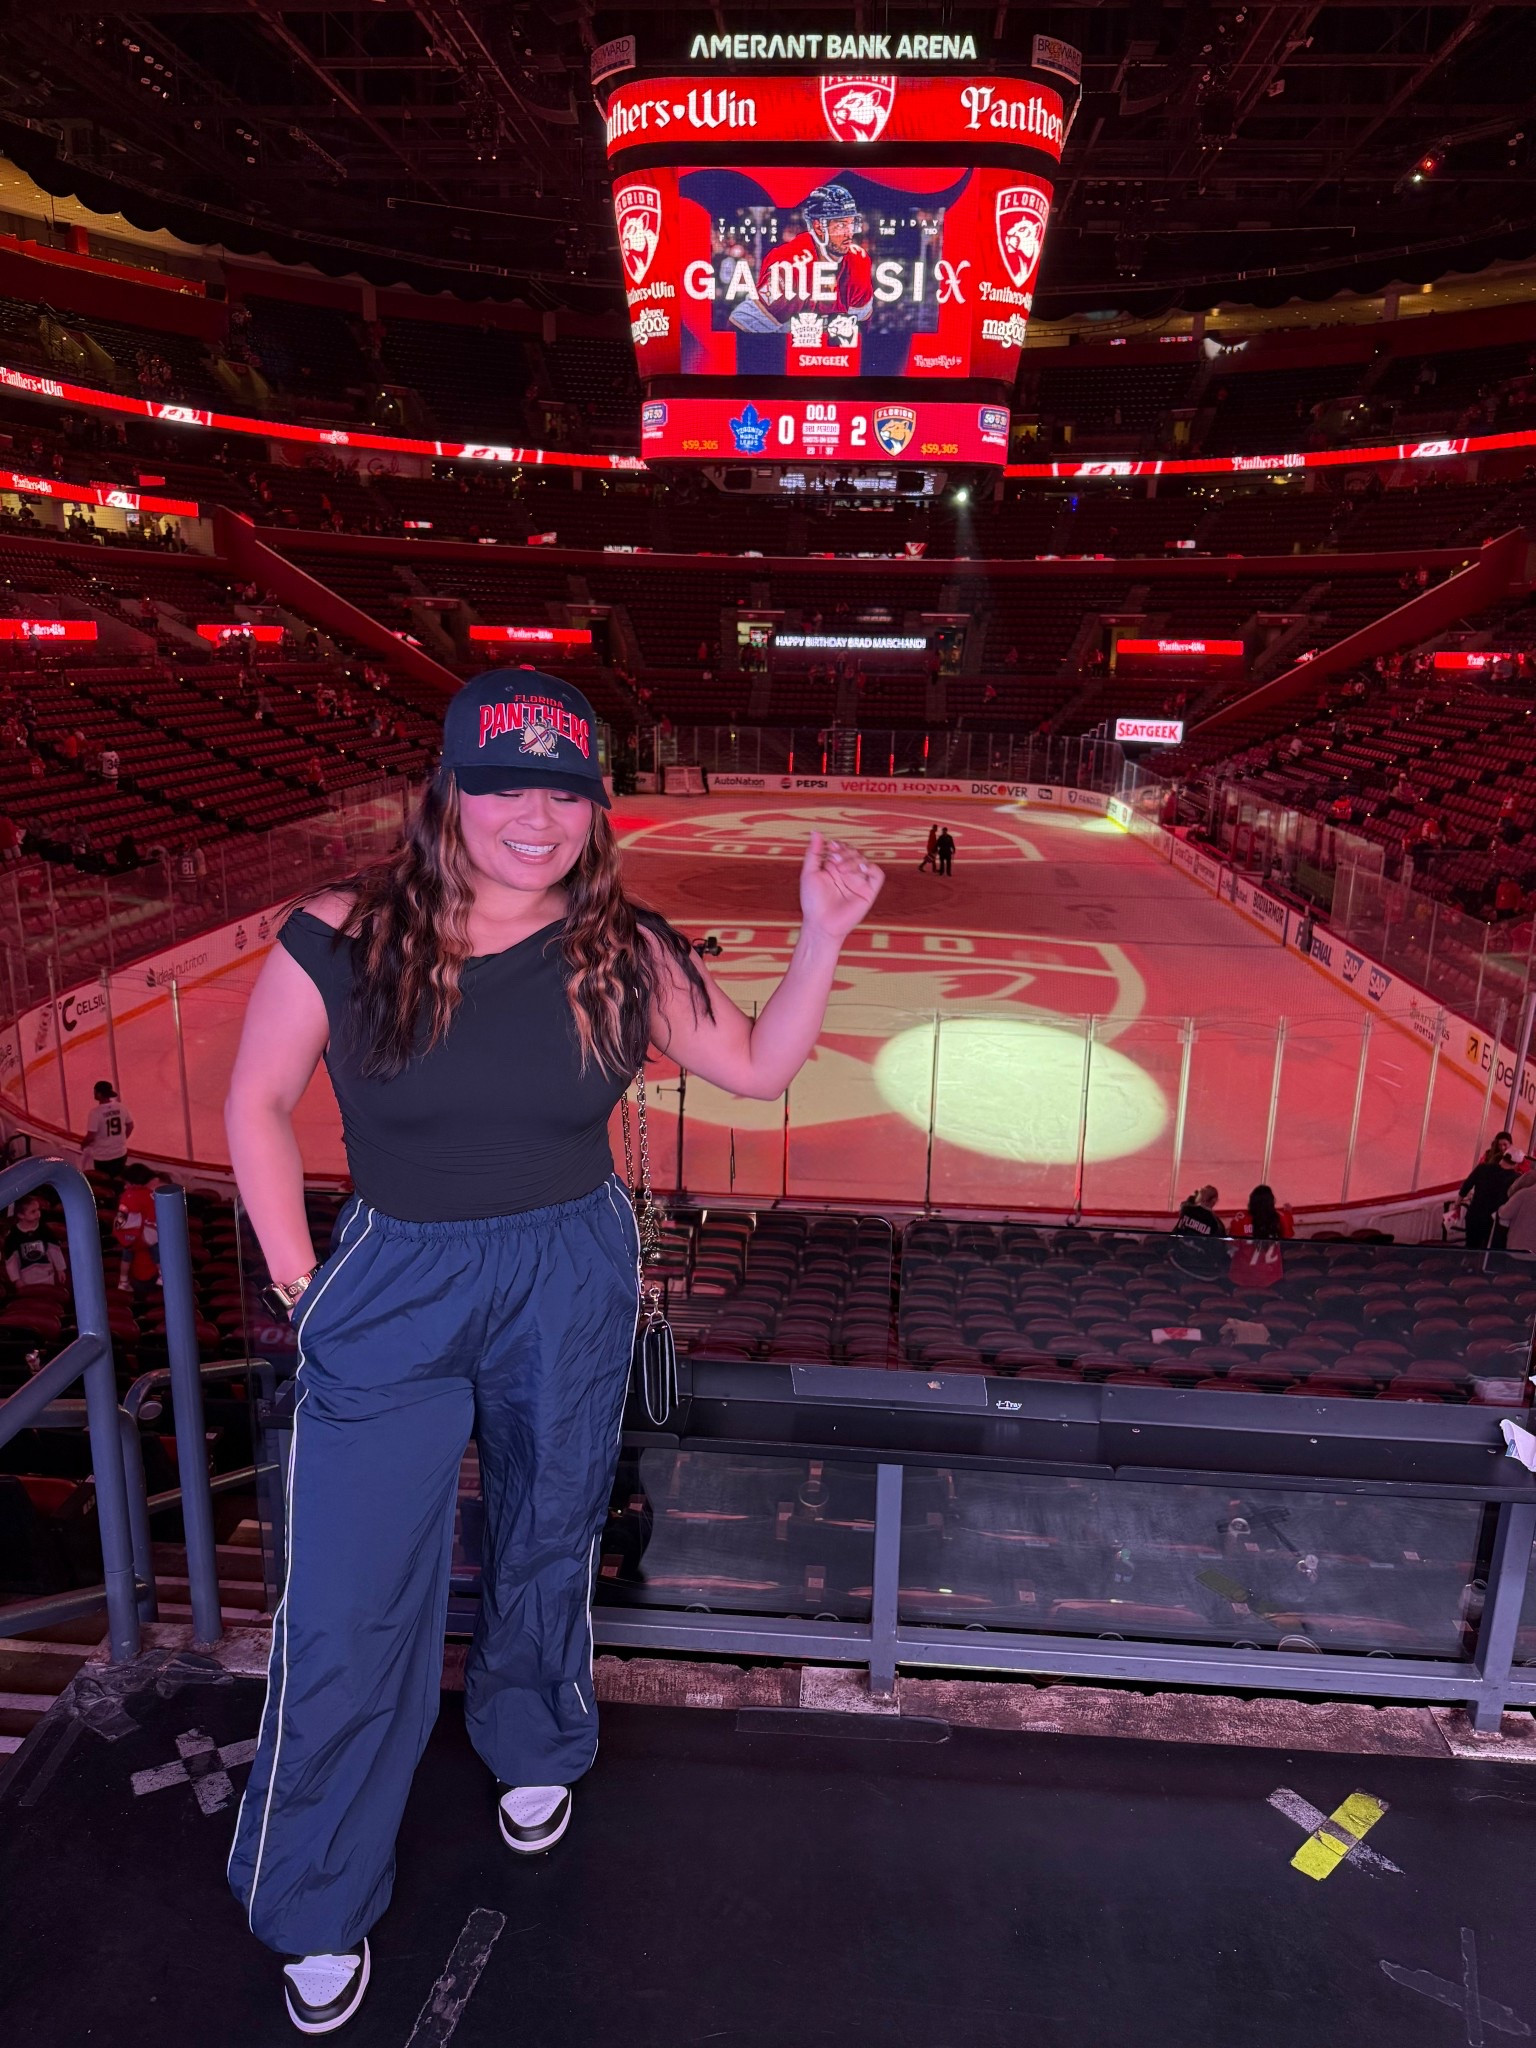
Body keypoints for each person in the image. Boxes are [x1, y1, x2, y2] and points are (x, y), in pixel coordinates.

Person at [221, 671, 884, 2033]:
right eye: (507, 784)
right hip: (394, 1276)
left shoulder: (620, 949)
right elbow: (256, 1102)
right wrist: (300, 1284)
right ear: (450, 793)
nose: (537, 816)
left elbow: (758, 1067)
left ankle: (532, 1737)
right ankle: (315, 1891)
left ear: (595, 809)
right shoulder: (340, 934)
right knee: (349, 1601)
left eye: (566, 792)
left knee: (548, 1529)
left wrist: (822, 933)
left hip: (568, 1268)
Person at [1459, 1132, 1521, 1250]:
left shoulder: (1483, 1168)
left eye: (1504, 1145)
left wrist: (1457, 1204)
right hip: (1493, 1219)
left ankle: (1468, 1261)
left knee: (1471, 1247)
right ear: (1516, 1164)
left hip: (1475, 1214)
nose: (1502, 1147)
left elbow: (1466, 1186)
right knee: (1488, 1248)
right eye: (1500, 1145)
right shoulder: (1516, 1178)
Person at [1229, 1182, 1293, 1289]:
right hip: (1271, 1276)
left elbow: (1232, 1246)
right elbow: (1288, 1236)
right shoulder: (1281, 1218)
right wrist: (1289, 1214)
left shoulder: (1240, 1219)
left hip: (1243, 1275)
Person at [113, 1163, 161, 1299]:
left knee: (127, 1256)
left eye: (126, 1183)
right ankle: (162, 1275)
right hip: (144, 1272)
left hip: (130, 1239)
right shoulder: (148, 1196)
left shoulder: (127, 1197)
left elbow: (120, 1220)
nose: (125, 1186)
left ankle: (123, 1281)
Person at [4, 1195, 67, 1289]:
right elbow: (11, 1261)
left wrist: (60, 1269)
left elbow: (54, 1250)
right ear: (21, 1215)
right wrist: (17, 1280)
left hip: (47, 1275)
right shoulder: (13, 1236)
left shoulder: (44, 1229)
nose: (38, 1214)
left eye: (38, 1210)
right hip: (26, 1279)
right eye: (33, 1211)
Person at [83, 1079, 134, 1186]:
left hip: (103, 1157)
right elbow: (130, 1125)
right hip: (120, 1153)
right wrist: (121, 1140)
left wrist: (83, 1144)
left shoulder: (95, 1113)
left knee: (104, 1183)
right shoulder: (121, 1107)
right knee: (118, 1181)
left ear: (99, 1094)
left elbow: (91, 1136)